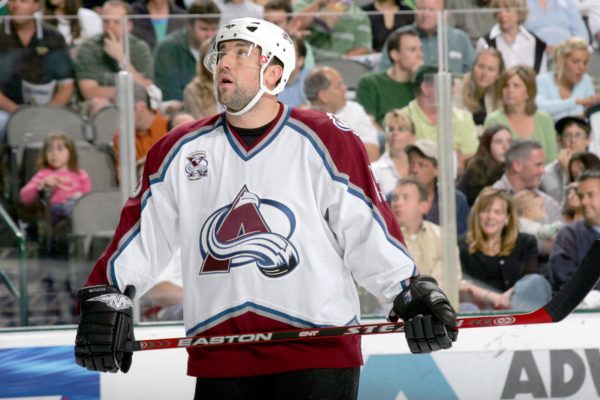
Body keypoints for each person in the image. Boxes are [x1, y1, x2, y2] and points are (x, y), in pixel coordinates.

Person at [74, 18, 458, 396]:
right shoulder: (178, 150)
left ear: (274, 74)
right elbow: (144, 234)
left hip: (318, 353)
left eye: (242, 53)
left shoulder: (326, 138)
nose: (224, 62)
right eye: (221, 53)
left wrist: (406, 290)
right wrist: (109, 293)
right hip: (221, 354)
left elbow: (365, 230)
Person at [458, 187, 552, 311]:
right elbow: (462, 286)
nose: (490, 217)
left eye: (497, 212)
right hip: (481, 313)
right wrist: (493, 297)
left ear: (507, 218)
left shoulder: (525, 243)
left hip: (519, 310)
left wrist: (513, 293)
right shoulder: (461, 246)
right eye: (485, 211)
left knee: (536, 281)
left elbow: (533, 283)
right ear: (477, 215)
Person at [0, 0, 75, 141]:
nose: (16, 5)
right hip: (6, 110)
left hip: (49, 110)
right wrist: (18, 112)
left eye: (23, 1)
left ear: (36, 6)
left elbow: (66, 86)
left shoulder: (53, 37)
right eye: (12, 0)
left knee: (66, 127)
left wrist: (44, 114)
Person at [75, 0, 154, 113]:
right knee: (99, 104)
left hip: (135, 104)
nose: (110, 27)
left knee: (142, 107)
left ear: (129, 25)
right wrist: (126, 93)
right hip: (101, 106)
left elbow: (148, 88)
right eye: (106, 21)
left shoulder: (140, 48)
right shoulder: (89, 48)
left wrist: (121, 59)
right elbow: (89, 92)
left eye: (116, 22)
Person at [19, 132, 92, 255]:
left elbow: (87, 198)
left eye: (60, 149)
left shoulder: (81, 174)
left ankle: (85, 240)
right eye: (49, 150)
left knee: (80, 204)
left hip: (78, 206)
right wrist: (42, 184)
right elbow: (24, 197)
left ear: (71, 152)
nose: (54, 153)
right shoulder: (43, 174)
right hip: (54, 210)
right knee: (70, 206)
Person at [391, 177, 462, 300]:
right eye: (395, 198)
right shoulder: (384, 240)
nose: (398, 203)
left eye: (405, 198)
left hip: (437, 304)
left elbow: (449, 279)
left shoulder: (442, 237)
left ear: (423, 206)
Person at [400, 64, 479, 173]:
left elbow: (471, 158)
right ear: (426, 88)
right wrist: (453, 156)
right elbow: (401, 159)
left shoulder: (464, 118)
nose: (453, 90)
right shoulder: (402, 119)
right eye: (447, 84)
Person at [304, 66, 381, 161]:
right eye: (338, 86)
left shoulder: (354, 110)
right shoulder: (300, 121)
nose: (345, 88)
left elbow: (372, 154)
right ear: (323, 96)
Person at [484, 65, 558, 164]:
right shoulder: (493, 120)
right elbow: (487, 159)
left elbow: (551, 159)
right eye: (506, 86)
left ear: (528, 92)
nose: (510, 90)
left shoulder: (544, 119)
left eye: (516, 86)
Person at [378, 0, 475, 75]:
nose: (425, 15)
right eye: (421, 9)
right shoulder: (399, 37)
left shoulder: (460, 39)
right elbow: (383, 73)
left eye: (431, 10)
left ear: (444, 14)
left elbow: (472, 74)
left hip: (452, 96)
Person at [153, 0, 221, 102]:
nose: (209, 35)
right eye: (204, 29)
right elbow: (171, 94)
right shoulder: (168, 48)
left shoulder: (221, 48)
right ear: (189, 26)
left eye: (214, 29)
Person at [356, 29, 422, 129]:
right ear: (395, 55)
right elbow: (368, 125)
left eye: (420, 49)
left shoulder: (423, 85)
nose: (419, 55)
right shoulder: (370, 83)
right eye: (413, 50)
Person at [549, 169, 600, 292]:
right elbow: (567, 282)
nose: (584, 202)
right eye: (581, 196)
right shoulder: (568, 235)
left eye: (590, 195)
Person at [406, 139, 471, 235]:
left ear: (437, 169)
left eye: (421, 165)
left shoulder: (455, 200)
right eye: (411, 164)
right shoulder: (394, 199)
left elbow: (463, 240)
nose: (414, 170)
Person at [492, 140, 563, 224]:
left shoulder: (549, 204)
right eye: (538, 164)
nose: (543, 171)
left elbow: (561, 235)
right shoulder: (490, 199)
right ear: (517, 166)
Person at [535, 37, 600, 122]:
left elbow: (590, 116)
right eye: (575, 62)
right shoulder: (542, 80)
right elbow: (539, 108)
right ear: (561, 61)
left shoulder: (586, 81)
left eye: (585, 62)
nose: (582, 67)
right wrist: (577, 102)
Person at [475, 0, 548, 74]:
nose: (502, 15)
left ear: (519, 11)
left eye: (507, 9)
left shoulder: (536, 43)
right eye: (498, 10)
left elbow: (541, 78)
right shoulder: (485, 43)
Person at [112, 84, 169, 176]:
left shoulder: (170, 127)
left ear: (141, 107)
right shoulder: (121, 136)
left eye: (124, 110)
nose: (120, 116)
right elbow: (124, 177)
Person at [292, 0, 373, 62]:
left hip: (339, 68)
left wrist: (338, 63)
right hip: (306, 64)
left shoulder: (360, 16)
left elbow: (362, 49)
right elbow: (293, 26)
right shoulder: (305, 3)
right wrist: (318, 4)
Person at [457, 124, 512, 206]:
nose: (505, 147)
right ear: (487, 145)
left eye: (509, 142)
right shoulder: (474, 170)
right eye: (498, 142)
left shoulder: (516, 170)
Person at [540, 115, 591, 203]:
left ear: (588, 140)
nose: (573, 140)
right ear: (560, 141)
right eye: (567, 136)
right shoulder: (547, 173)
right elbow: (559, 206)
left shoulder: (596, 166)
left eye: (578, 135)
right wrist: (566, 173)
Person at [453, 48, 504, 129]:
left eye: (490, 69)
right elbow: (456, 126)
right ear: (473, 68)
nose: (484, 73)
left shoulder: (501, 93)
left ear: (498, 74)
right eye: (480, 66)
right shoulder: (457, 88)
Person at [371, 109, 416, 196]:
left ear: (413, 137)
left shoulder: (420, 168)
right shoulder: (374, 170)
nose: (395, 133)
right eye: (391, 129)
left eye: (401, 129)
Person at [524, 0, 589, 51]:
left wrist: (569, 50)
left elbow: (581, 33)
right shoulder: (521, 3)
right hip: (534, 52)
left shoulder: (566, 2)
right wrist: (540, 47)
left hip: (567, 55)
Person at [183, 39, 219, 119]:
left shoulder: (240, 84)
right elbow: (200, 126)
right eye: (212, 58)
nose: (216, 62)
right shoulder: (193, 90)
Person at [277, 36, 310, 108]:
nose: (282, 58)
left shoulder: (312, 79)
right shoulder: (267, 81)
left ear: (300, 61)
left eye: (288, 54)